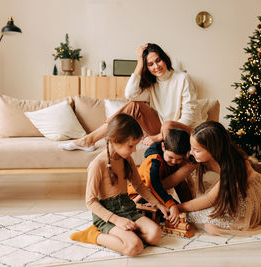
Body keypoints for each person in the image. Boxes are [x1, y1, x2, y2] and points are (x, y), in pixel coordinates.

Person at [61, 43, 201, 152]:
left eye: (158, 60)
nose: (156, 66)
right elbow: (130, 94)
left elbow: (189, 117)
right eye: (150, 64)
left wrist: (160, 136)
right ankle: (90, 140)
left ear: (165, 59)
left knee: (167, 124)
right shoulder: (153, 84)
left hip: (181, 130)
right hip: (161, 127)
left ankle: (89, 140)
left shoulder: (182, 78)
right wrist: (140, 62)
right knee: (134, 105)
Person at [70, 113, 169, 256]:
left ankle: (127, 236)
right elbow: (90, 202)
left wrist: (158, 205)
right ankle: (94, 235)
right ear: (114, 140)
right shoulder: (97, 164)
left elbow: (139, 186)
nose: (134, 150)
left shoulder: (126, 159)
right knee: (134, 248)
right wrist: (116, 220)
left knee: (155, 234)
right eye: (131, 146)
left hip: (127, 208)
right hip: (107, 214)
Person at [177, 121, 261, 236]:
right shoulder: (206, 156)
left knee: (210, 226)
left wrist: (179, 207)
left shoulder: (234, 166)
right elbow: (178, 177)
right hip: (231, 190)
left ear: (213, 150)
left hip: (246, 196)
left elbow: (210, 199)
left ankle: (245, 219)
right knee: (195, 214)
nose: (191, 152)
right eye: (191, 147)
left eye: (197, 150)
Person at [128, 128, 195, 226]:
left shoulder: (174, 161)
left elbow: (178, 183)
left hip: (156, 195)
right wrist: (172, 205)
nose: (173, 162)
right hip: (138, 195)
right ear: (163, 146)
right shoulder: (153, 161)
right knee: (172, 212)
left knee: (180, 210)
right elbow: (153, 185)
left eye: (178, 159)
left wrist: (188, 205)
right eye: (170, 157)